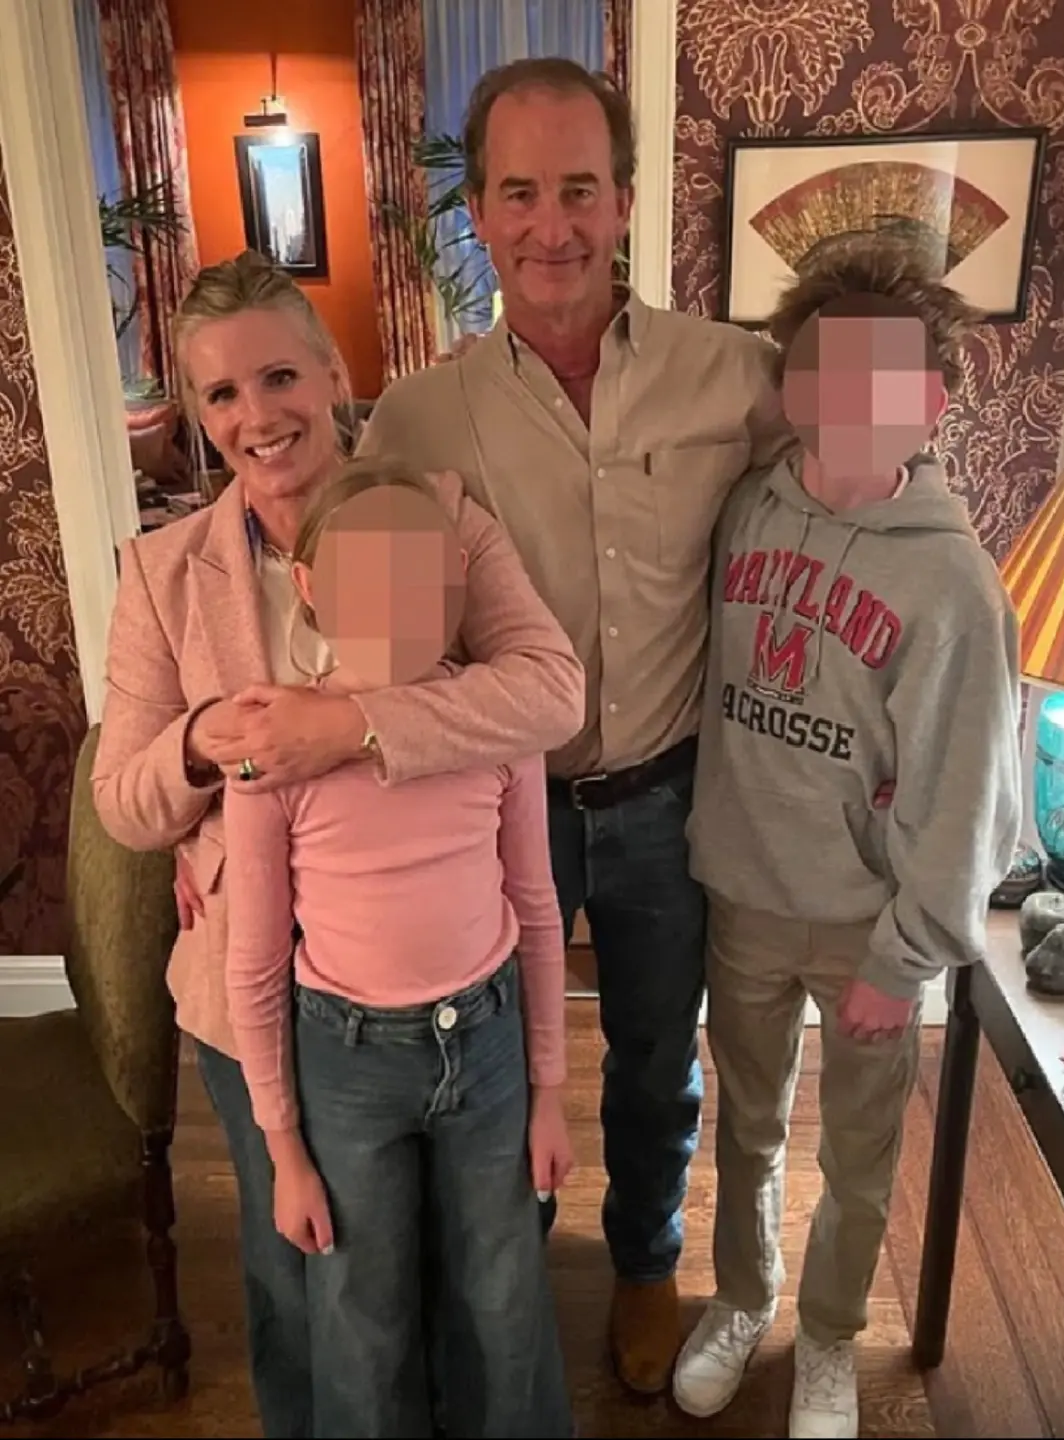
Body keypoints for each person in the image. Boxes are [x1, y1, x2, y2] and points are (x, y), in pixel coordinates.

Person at [91, 250, 586, 1439]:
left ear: (330, 372)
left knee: (480, 1269)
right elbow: (124, 804)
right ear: (198, 413)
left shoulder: (441, 514)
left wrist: (348, 728)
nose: (257, 416)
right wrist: (206, 743)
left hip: (453, 984)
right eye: (221, 393)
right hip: (261, 991)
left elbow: (549, 692)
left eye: (279, 377)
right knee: (313, 1281)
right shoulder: (164, 574)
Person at [357, 56, 794, 1394]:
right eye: (520, 193)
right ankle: (510, 1273)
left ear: (623, 202)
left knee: (658, 1059)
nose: (552, 225)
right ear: (477, 212)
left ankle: (648, 1263)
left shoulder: (737, 377)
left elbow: (859, 491)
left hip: (671, 798)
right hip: (496, 813)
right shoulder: (416, 416)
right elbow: (344, 620)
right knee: (496, 1070)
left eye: (580, 190)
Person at [672, 241, 1023, 1437]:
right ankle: (741, 1299)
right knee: (747, 1125)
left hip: (866, 925)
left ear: (932, 400)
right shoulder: (746, 507)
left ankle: (827, 1335)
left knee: (860, 1153)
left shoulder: (954, 585)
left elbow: (970, 791)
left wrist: (906, 952)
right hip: (743, 894)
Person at [224, 457, 575, 1438]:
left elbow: (536, 908)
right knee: (358, 1310)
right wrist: (283, 1150)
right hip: (347, 1062)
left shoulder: (497, 722)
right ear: (309, 584)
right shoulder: (275, 749)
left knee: (504, 1291)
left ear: (457, 580)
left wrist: (549, 1093)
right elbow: (254, 964)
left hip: (489, 1042)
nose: (396, 605)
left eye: (420, 577)